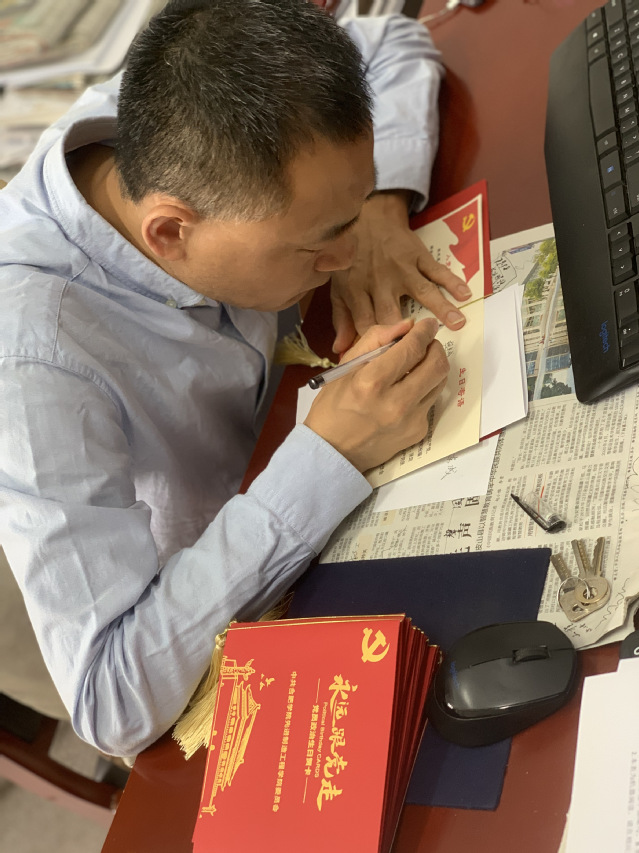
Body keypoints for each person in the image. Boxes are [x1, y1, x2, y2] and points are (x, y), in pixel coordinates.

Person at [0, 0, 467, 758]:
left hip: (288, 423)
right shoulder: (32, 364)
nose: (347, 259)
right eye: (319, 243)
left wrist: (380, 211)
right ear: (171, 232)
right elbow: (109, 697)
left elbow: (392, 39)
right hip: (227, 570)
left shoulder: (169, 108)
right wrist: (326, 456)